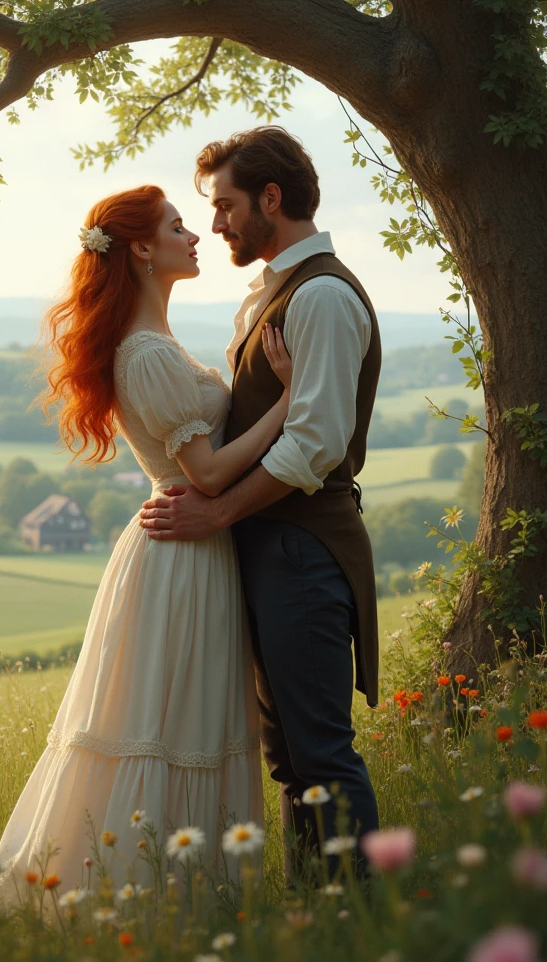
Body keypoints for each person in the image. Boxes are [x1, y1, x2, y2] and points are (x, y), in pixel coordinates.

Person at [0, 184, 292, 909]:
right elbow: (209, 472)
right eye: (179, 227)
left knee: (187, 718)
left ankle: (183, 902)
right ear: (143, 249)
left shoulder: (157, 343)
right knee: (165, 722)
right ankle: (138, 906)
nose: (197, 235)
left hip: (192, 549)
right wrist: (289, 400)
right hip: (179, 556)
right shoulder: (148, 354)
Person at [140, 127, 381, 879]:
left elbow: (314, 446)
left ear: (271, 199)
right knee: (288, 755)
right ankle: (318, 913)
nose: (215, 224)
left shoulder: (324, 299)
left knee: (320, 751)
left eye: (225, 205)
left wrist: (214, 513)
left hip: (305, 552)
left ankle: (359, 921)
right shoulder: (272, 292)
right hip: (272, 549)